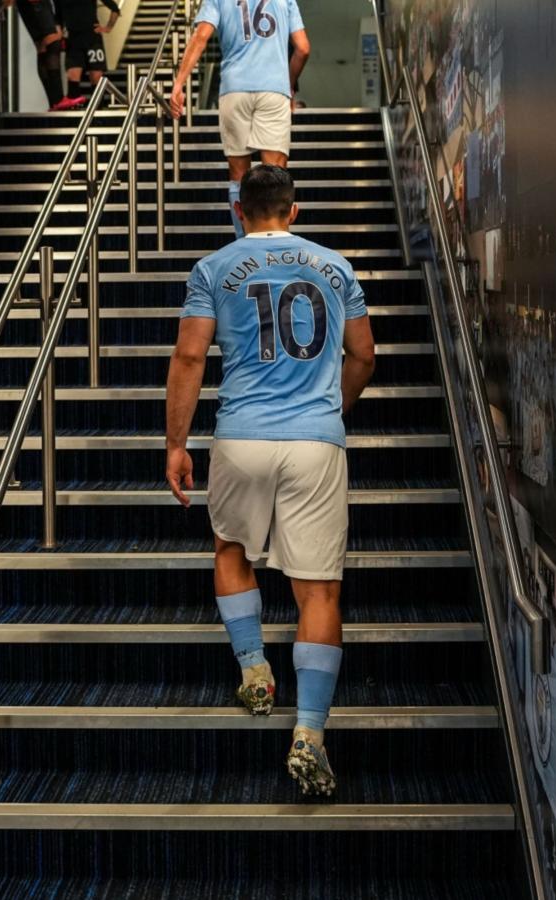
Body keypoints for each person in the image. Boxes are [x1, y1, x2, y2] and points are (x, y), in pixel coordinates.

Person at [165, 166, 376, 796]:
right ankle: (309, 733)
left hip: (241, 437)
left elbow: (189, 356)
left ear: (238, 209)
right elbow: (365, 356)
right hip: (316, 443)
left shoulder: (211, 269)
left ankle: (254, 667)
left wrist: (176, 443)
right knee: (319, 591)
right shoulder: (336, 268)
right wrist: (329, 409)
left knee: (231, 548)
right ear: (294, 210)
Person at [169, 0, 310, 238]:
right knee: (275, 173)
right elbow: (303, 48)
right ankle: (275, 244)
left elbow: (201, 36)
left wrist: (179, 83)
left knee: (238, 175)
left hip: (234, 89)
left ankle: (243, 241)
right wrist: (288, 84)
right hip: (273, 88)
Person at [55, 0, 120, 108]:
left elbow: (115, 9)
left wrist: (108, 28)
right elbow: (58, 17)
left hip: (92, 38)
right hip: (73, 39)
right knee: (72, 75)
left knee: (96, 76)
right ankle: (74, 111)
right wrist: (59, 34)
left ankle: (99, 112)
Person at [7, 0, 66, 110]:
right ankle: (58, 100)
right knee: (51, 45)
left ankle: (54, 101)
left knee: (43, 47)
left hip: (35, 6)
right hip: (36, 5)